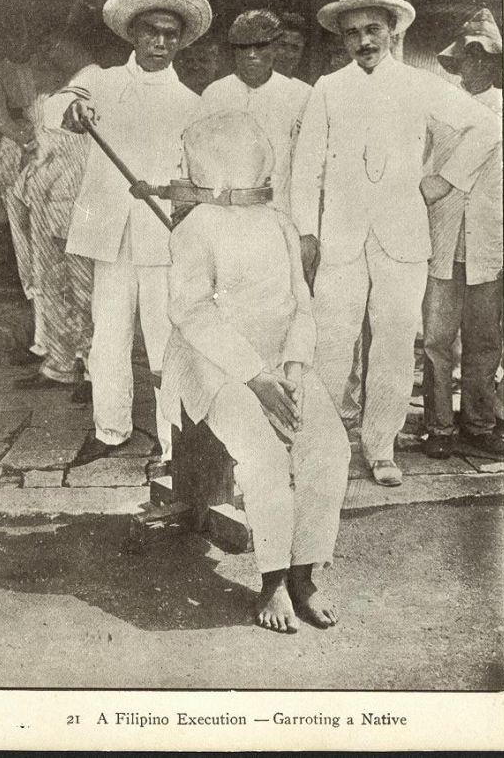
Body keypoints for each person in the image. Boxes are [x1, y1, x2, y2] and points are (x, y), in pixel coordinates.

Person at [291, 0, 501, 487]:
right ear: (342, 38)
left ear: (392, 31)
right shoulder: (328, 88)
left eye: (373, 29)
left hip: (402, 238)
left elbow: (487, 127)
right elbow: (306, 167)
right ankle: (321, 446)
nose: (363, 40)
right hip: (340, 239)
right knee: (331, 343)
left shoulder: (418, 84)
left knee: (393, 343)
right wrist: (306, 233)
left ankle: (380, 447)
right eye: (352, 32)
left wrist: (443, 180)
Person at [160, 111, 350, 633]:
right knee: (265, 455)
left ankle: (304, 573)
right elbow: (192, 314)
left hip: (279, 365)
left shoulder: (278, 222)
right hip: (212, 366)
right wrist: (256, 379)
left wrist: (293, 369)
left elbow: (301, 306)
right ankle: (273, 581)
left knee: (328, 447)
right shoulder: (196, 228)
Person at [51, 0, 212, 465]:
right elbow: (54, 106)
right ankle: (110, 429)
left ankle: (172, 440)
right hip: (109, 231)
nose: (159, 42)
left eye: (169, 34)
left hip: (162, 235)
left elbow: (196, 177)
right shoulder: (98, 81)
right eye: (150, 31)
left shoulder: (191, 103)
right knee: (108, 335)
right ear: (133, 34)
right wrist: (71, 107)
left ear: (180, 41)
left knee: (164, 340)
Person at [421, 9, 504, 458]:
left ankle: (479, 422)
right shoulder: (440, 105)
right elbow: (421, 159)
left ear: (495, 62)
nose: (476, 65)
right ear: (457, 61)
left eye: (485, 57)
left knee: (483, 339)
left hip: (488, 240)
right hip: (444, 234)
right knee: (437, 338)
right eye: (469, 56)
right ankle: (439, 427)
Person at [13, 24, 100, 395]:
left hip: (77, 204)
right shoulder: (56, 89)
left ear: (75, 43)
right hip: (45, 200)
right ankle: (60, 364)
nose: (46, 54)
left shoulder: (97, 83)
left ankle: (94, 371)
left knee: (84, 290)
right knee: (52, 285)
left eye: (53, 44)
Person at [0, 19, 63, 364]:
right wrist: (28, 140)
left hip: (50, 155)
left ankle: (63, 340)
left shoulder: (44, 68)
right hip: (17, 156)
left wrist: (44, 141)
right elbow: (0, 119)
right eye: (9, 33)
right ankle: (41, 339)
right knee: (26, 246)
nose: (17, 40)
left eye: (21, 32)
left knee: (51, 245)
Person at [196, 10, 310, 215]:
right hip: (224, 212)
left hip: (279, 210)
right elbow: (200, 159)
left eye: (260, 46)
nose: (251, 54)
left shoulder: (300, 96)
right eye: (243, 47)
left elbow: (306, 167)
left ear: (275, 47)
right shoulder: (215, 94)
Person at [274, 11, 311, 88]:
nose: (288, 54)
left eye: (295, 48)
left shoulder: (306, 91)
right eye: (283, 45)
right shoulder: (253, 85)